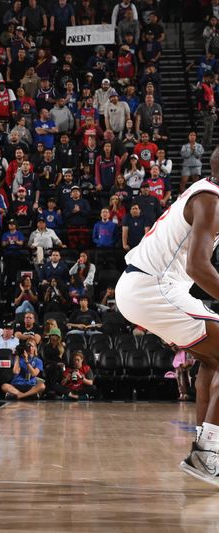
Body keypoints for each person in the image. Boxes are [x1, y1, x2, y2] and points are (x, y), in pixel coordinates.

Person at [116, 146, 219, 487]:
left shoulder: (207, 191)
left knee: (213, 359)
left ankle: (205, 452)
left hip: (145, 285)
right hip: (153, 286)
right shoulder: (211, 200)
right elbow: (198, 266)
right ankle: (208, 456)